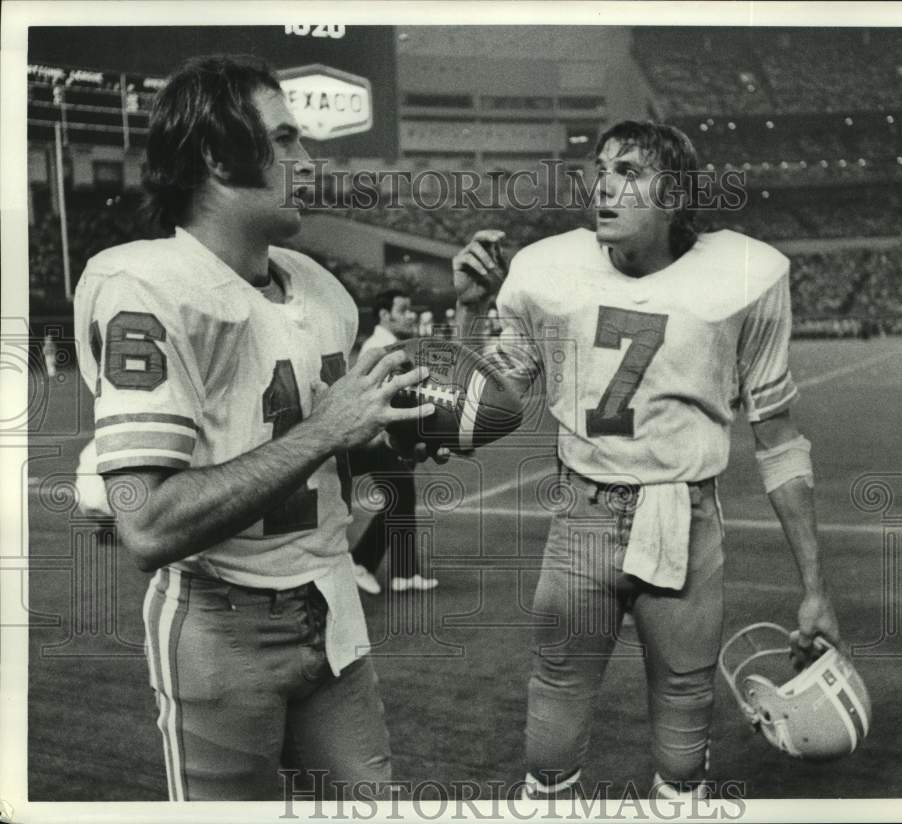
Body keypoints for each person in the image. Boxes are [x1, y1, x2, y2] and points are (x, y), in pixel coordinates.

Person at [73, 55, 442, 801]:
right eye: (285, 140)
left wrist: (405, 427)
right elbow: (146, 523)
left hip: (333, 609)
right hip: (221, 621)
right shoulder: (146, 283)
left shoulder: (320, 288)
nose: (308, 160)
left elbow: (337, 449)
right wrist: (330, 428)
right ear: (217, 155)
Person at [451, 121, 841, 801]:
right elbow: (478, 416)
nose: (605, 183)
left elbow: (778, 440)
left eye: (630, 170)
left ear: (676, 195)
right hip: (581, 516)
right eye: (601, 168)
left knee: (684, 749)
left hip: (685, 519)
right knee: (548, 744)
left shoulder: (747, 275)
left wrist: (815, 586)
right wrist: (465, 311)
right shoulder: (547, 271)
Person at [351, 288, 440, 595]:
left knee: (401, 499)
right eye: (403, 309)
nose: (410, 315)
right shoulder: (377, 348)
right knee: (399, 496)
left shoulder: (395, 346)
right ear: (385, 315)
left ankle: (405, 572)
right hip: (378, 437)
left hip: (395, 436)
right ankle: (360, 561)